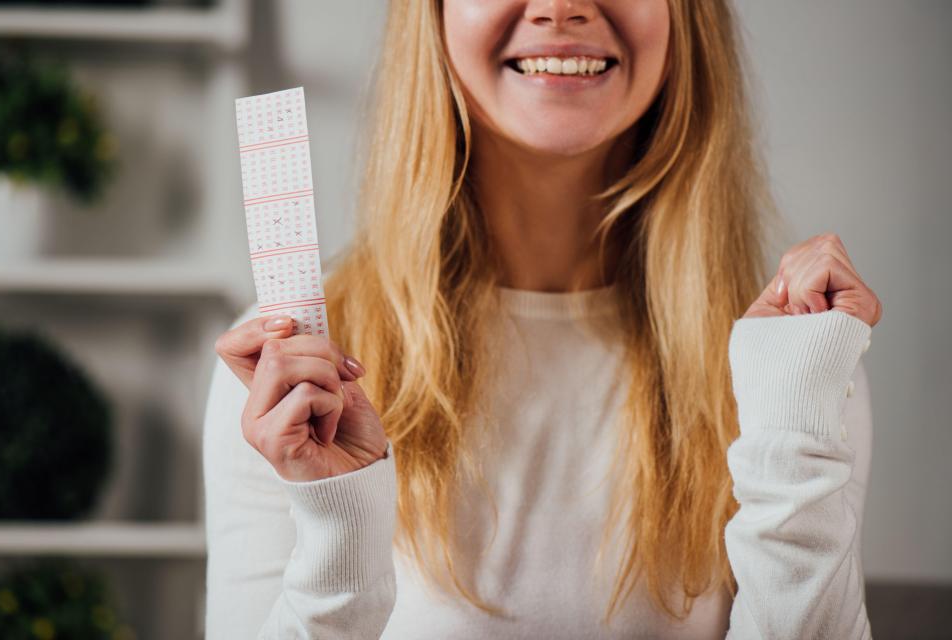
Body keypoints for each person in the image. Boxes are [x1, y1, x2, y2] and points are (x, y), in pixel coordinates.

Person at [203, 0, 882, 638]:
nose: (560, 7)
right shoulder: (285, 372)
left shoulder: (788, 361)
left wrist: (795, 439)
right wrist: (337, 539)